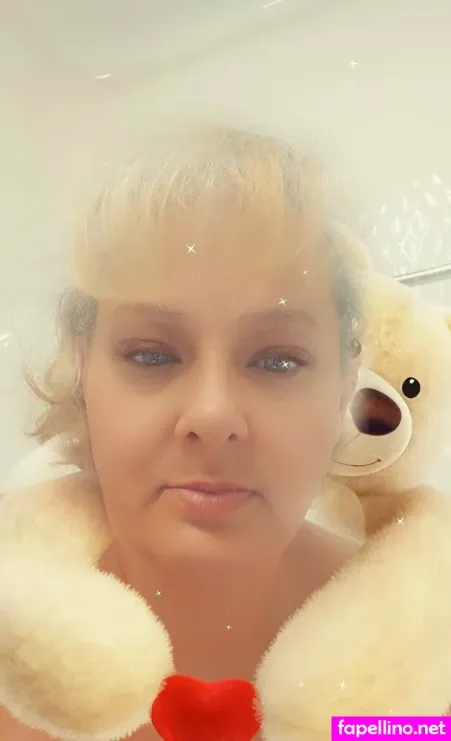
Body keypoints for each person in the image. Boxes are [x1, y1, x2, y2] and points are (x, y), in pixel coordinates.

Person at [0, 125, 372, 740]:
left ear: (344, 386)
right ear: (83, 371)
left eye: (277, 360)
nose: (212, 414)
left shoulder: (425, 642)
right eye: (150, 354)